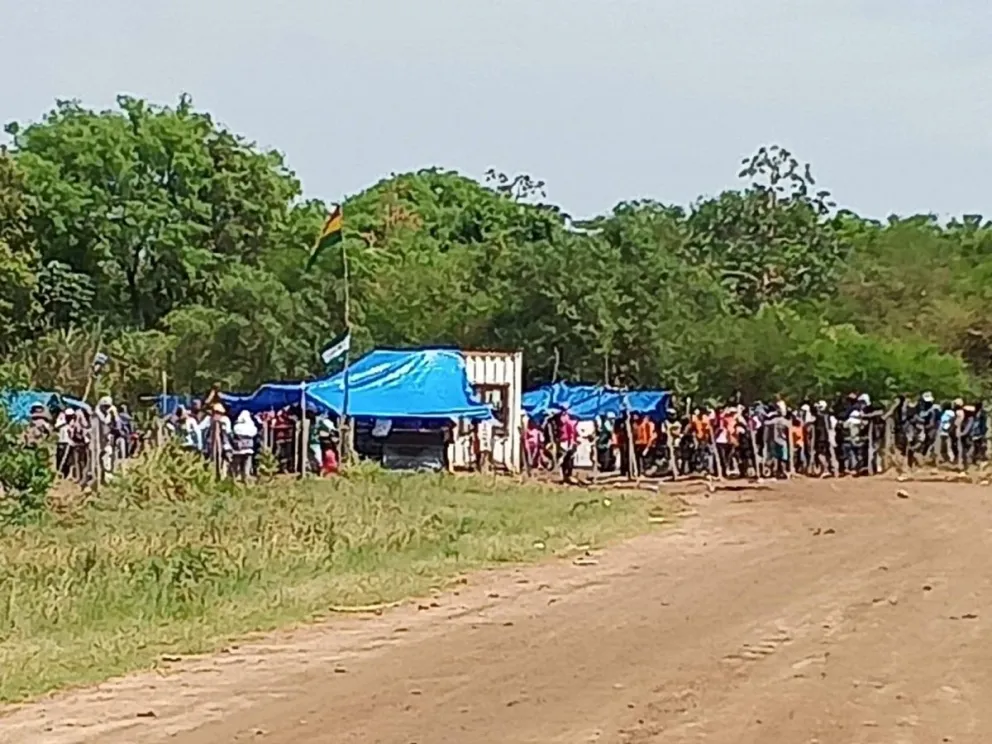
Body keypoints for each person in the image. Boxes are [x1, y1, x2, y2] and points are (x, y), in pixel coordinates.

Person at [231, 410, 258, 482]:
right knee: (247, 462)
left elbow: (235, 432)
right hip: (249, 447)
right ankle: (246, 475)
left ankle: (237, 475)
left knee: (238, 462)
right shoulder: (251, 425)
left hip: (239, 448)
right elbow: (254, 433)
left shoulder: (237, 426)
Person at [558, 405, 579, 484]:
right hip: (563, 441)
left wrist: (571, 443)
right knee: (563, 459)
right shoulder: (562, 419)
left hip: (567, 442)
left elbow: (572, 433)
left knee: (566, 459)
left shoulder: (568, 421)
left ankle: (566, 475)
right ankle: (564, 476)